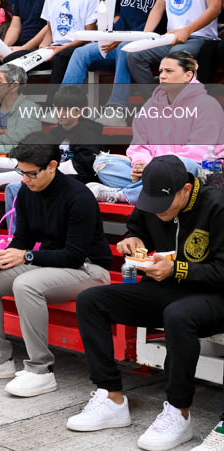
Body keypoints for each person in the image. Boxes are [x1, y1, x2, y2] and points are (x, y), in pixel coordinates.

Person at [70, 155, 224, 451]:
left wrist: (178, 269)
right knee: (91, 300)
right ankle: (111, 398)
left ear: (186, 190)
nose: (157, 210)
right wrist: (133, 240)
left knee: (178, 315)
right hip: (164, 288)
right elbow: (137, 227)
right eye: (151, 202)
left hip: (213, 296)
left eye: (163, 205)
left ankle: (178, 412)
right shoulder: (151, 200)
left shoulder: (216, 206)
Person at [0, 133, 111, 397]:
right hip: (52, 265)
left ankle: (40, 370)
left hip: (89, 269)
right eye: (22, 172)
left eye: (31, 173)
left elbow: (74, 256)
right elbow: (23, 240)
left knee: (26, 284)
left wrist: (27, 257)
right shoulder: (28, 192)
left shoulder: (79, 197)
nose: (24, 179)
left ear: (52, 166)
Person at [88, 52, 224, 205]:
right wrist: (140, 163)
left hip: (193, 171)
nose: (162, 76)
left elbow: (198, 153)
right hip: (153, 169)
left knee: (183, 166)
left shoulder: (207, 105)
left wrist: (153, 167)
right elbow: (139, 145)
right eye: (160, 71)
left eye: (169, 71)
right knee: (103, 163)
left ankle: (124, 195)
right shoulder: (151, 105)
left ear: (188, 75)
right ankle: (149, 189)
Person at [62, 0, 166, 106]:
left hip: (147, 43)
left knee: (125, 48)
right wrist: (112, 27)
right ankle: (64, 106)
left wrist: (123, 37)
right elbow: (116, 10)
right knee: (80, 53)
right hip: (116, 41)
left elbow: (161, 24)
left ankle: (116, 108)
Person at [4, 86, 103, 213]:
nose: (60, 113)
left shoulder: (89, 135)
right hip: (50, 177)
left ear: (79, 112)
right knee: (13, 184)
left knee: (15, 188)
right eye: (58, 108)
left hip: (76, 182)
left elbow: (86, 169)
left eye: (66, 109)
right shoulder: (54, 133)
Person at [36, 0, 100, 82]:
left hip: (77, 48)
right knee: (14, 59)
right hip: (54, 47)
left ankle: (55, 97)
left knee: (60, 57)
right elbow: (50, 30)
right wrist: (42, 47)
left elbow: (88, 35)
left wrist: (60, 49)